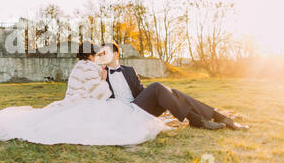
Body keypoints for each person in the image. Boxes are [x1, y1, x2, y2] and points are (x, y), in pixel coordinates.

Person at [0, 41, 170, 146]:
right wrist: (103, 80)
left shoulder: (77, 66)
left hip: (71, 101)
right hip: (83, 104)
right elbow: (100, 93)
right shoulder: (91, 68)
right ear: (91, 55)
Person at [97, 42, 249, 130]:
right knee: (157, 86)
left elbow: (141, 92)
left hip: (140, 107)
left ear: (116, 54)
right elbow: (100, 99)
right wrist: (103, 80)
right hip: (125, 113)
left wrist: (159, 97)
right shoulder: (100, 74)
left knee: (174, 92)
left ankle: (219, 117)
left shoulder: (129, 70)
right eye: (101, 54)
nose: (103, 56)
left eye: (106, 53)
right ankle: (198, 120)